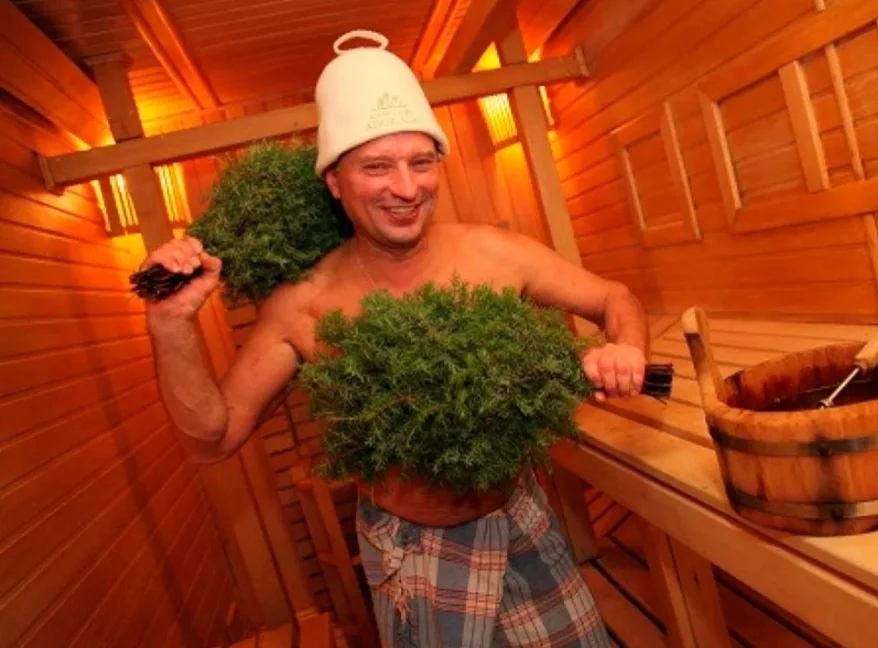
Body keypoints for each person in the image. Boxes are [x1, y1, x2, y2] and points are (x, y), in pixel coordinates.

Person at [142, 29, 649, 647]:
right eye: (376, 167)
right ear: (335, 181)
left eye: (421, 162)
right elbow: (212, 438)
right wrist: (171, 324)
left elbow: (614, 298)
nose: (406, 189)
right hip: (413, 556)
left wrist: (626, 348)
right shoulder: (304, 304)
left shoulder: (496, 252)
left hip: (522, 520)